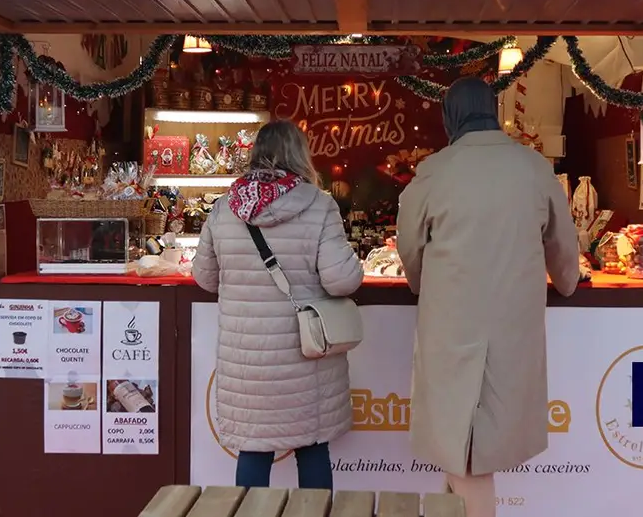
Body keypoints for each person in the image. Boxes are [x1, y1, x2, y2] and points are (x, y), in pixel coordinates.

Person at [397, 77, 582, 517]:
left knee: (462, 450)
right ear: (495, 111)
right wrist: (566, 281)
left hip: (450, 328)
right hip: (512, 330)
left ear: (449, 118)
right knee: (467, 451)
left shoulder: (435, 170)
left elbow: (409, 245)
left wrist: (422, 282)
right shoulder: (534, 168)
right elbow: (565, 254)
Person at [192, 119, 363, 490]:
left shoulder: (225, 207)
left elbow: (205, 278)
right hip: (305, 358)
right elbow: (341, 280)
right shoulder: (320, 205)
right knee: (313, 449)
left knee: (254, 451)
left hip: (247, 361)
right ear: (301, 155)